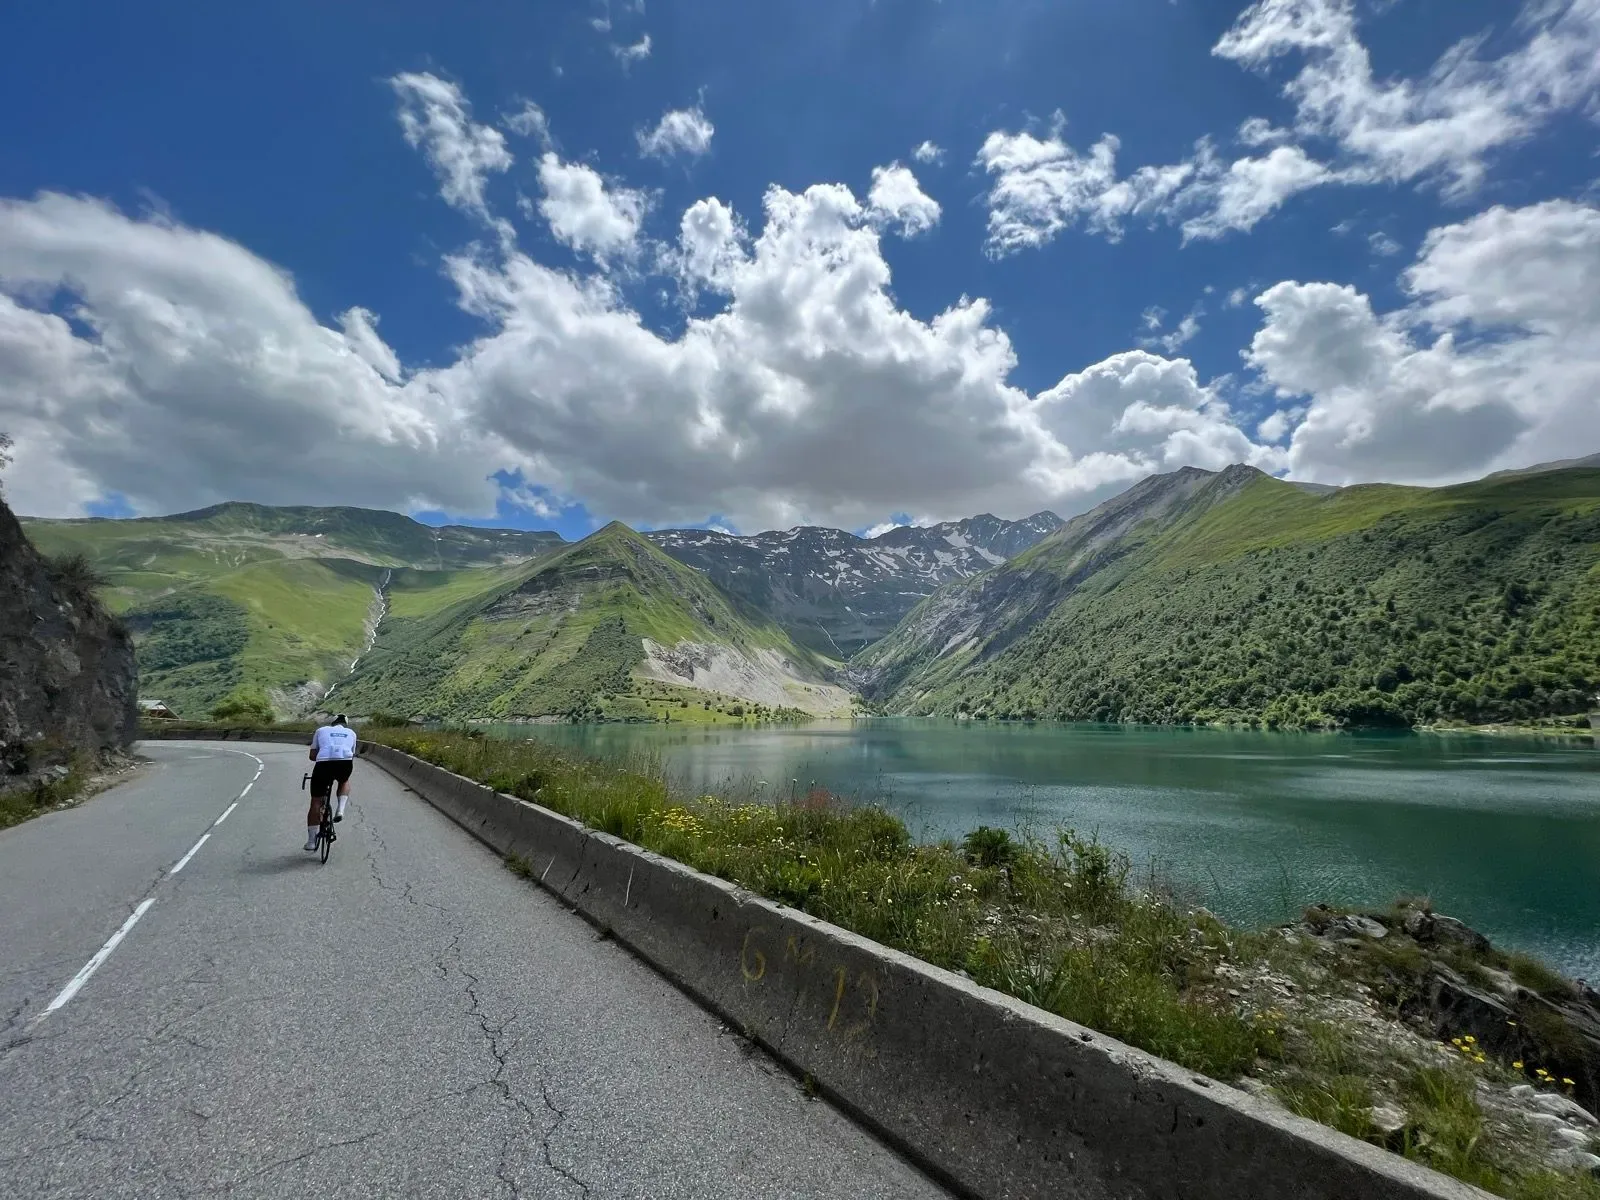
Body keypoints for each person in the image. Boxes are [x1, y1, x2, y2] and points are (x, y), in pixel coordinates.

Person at [306, 714, 357, 851]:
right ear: (345, 724)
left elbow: (312, 756)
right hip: (344, 763)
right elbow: (352, 754)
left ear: (332, 723)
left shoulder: (321, 730)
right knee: (344, 781)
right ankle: (340, 809)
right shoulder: (351, 733)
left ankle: (311, 842)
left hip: (323, 764)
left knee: (316, 801)